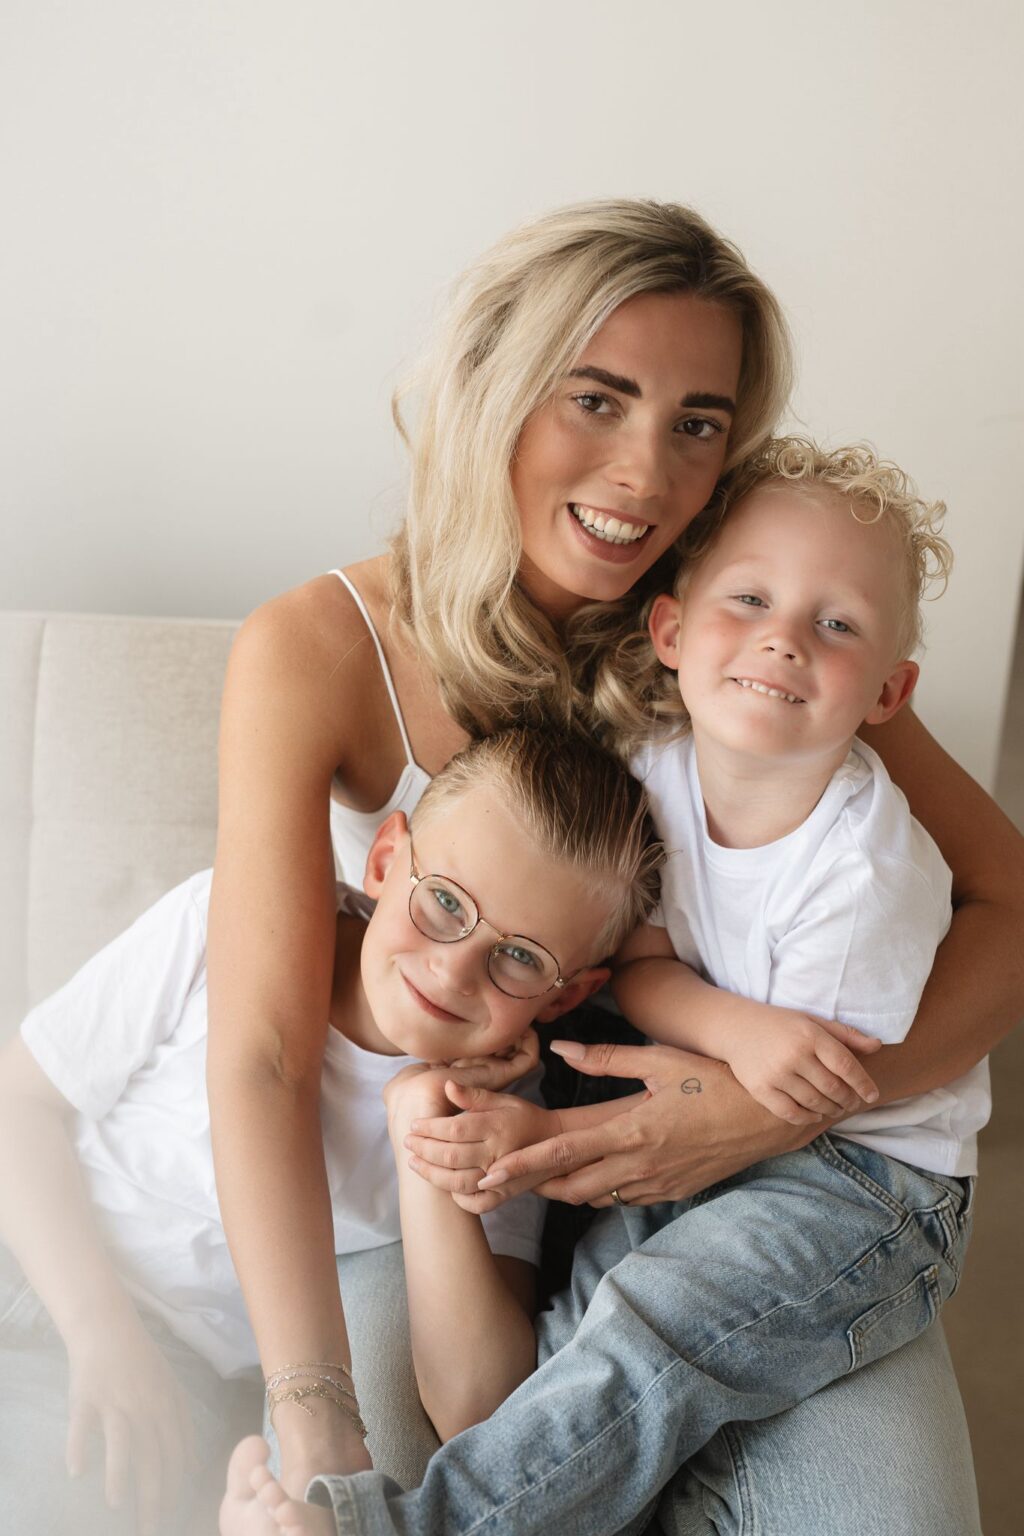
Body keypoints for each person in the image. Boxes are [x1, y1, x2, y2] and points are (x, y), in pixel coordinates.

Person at [207, 200, 1021, 1532]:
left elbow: (1009, 906)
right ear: (494, 384)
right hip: (458, 1177)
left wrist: (773, 1112)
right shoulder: (317, 647)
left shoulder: (756, 621)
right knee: (438, 1447)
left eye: (698, 422)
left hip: (771, 1170)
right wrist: (310, 1404)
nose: (646, 474)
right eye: (596, 398)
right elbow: (262, 1055)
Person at [0, 729, 662, 1535]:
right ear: (384, 860)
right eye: (445, 902)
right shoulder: (228, 924)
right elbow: (19, 1106)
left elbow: (475, 1404)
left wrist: (421, 1129)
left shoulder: (501, 1110)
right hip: (43, 1265)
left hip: (186, 1382)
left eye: (520, 957)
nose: (453, 970)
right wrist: (100, 1332)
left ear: (565, 998)